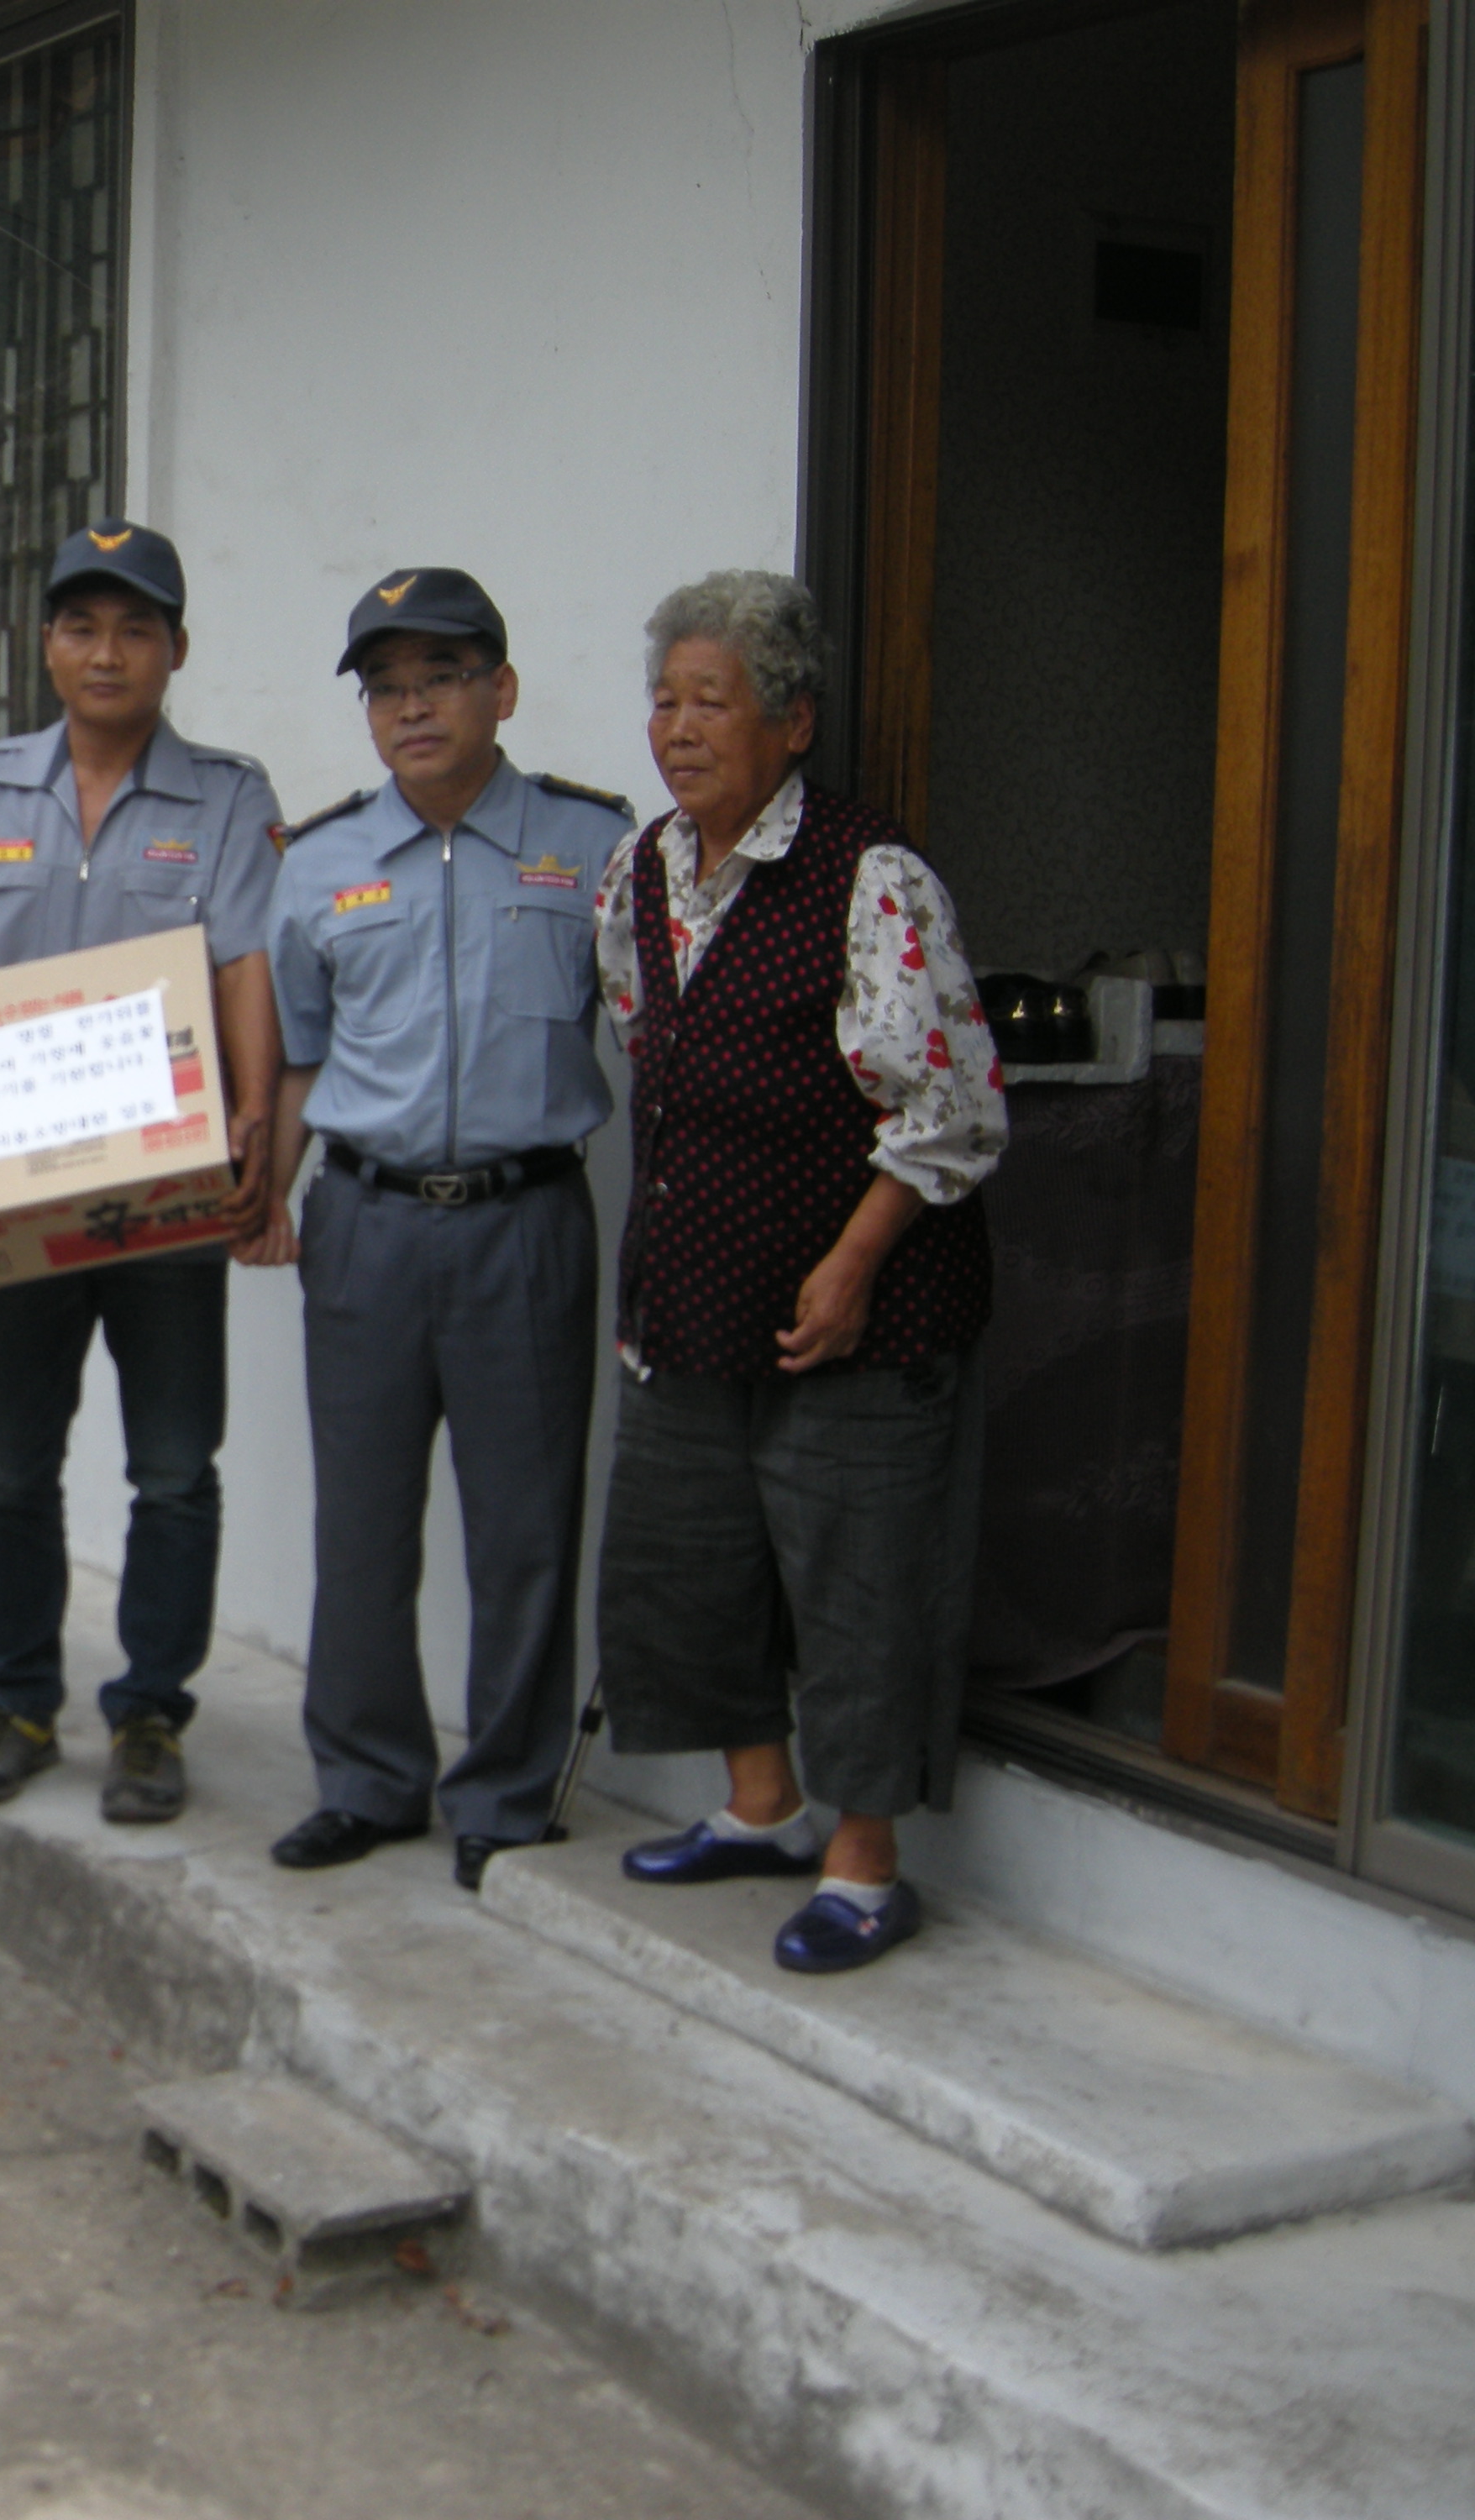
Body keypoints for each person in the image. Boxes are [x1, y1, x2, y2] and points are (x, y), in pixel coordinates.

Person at [590, 570, 1004, 1973]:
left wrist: (853, 1262)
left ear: (793, 721)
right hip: (693, 1292)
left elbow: (952, 1104)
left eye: (713, 701)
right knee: (690, 1559)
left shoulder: (870, 877)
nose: (679, 728)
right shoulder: (643, 870)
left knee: (859, 1583)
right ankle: (760, 1806)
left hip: (858, 1309)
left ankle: (864, 1865)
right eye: (665, 700)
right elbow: (652, 1048)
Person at [0, 520, 286, 1828]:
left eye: (134, 630)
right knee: (11, 1467)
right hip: (15, 1203)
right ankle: (13, 1700)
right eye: (81, 626)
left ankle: (151, 1715)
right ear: (48, 646)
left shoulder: (226, 798)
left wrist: (253, 1121)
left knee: (174, 1469)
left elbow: (245, 965)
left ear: (177, 649)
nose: (106, 652)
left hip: (167, 1200)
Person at [257, 567, 630, 1893]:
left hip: (526, 1226)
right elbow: (298, 1053)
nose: (412, 709)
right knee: (362, 1526)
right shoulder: (318, 863)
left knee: (524, 1529)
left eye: (442, 680)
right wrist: (268, 1195)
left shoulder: (595, 847)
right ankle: (367, 1780)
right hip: (364, 1225)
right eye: (387, 689)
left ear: (501, 690)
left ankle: (508, 1796)